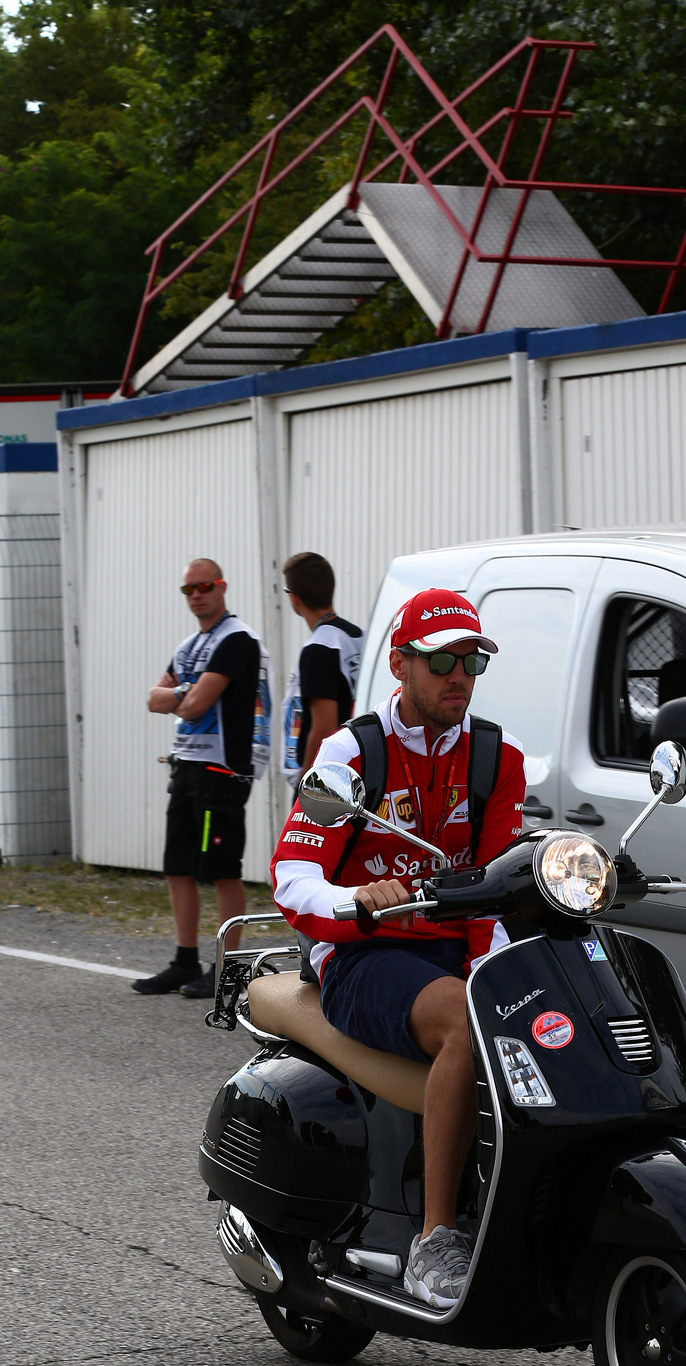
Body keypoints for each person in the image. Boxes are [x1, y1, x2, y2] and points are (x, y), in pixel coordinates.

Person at [271, 588, 526, 1308]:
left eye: (472, 659)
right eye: (442, 658)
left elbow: (497, 880)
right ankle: (433, 1240)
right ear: (400, 663)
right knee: (462, 1019)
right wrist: (355, 903)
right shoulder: (353, 752)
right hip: (359, 951)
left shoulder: (495, 756)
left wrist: (493, 966)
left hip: (447, 947)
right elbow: (292, 876)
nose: (460, 675)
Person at [133, 557, 262, 996]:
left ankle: (227, 968)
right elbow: (153, 699)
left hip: (222, 769)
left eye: (204, 586)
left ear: (221, 586)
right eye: (188, 590)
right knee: (178, 867)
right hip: (185, 765)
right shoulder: (190, 644)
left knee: (222, 870)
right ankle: (185, 961)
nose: (196, 595)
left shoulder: (237, 639)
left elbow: (194, 706)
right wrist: (184, 692)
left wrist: (181, 693)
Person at [279, 551, 362, 786]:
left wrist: (307, 784)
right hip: (362, 766)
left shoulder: (318, 649)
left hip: (331, 780)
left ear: (294, 598)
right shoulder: (359, 637)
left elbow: (323, 727)